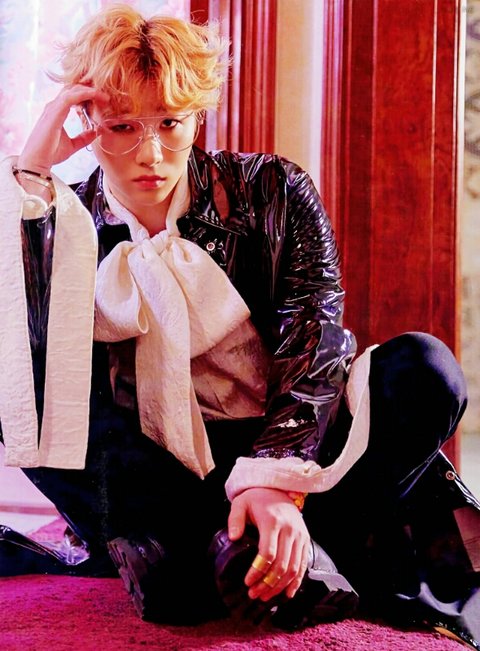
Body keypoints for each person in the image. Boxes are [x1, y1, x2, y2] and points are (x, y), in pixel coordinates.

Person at [0, 3, 479, 646]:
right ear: (87, 122)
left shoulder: (272, 189)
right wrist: (32, 176)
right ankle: (257, 556)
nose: (151, 153)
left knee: (426, 368)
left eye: (170, 122)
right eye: (122, 126)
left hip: (300, 447)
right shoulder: (64, 220)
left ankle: (293, 541)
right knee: (12, 377)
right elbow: (24, 358)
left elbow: (316, 336)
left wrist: (277, 479)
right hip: (163, 473)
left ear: (197, 115)